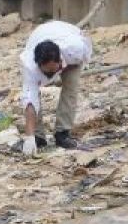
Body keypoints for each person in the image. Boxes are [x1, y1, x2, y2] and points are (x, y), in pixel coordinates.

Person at [19, 21, 92, 154]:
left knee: (71, 87)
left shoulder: (75, 48)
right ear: (38, 65)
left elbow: (84, 57)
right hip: (40, 34)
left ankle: (62, 133)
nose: (51, 76)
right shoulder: (29, 65)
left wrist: (65, 68)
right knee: (33, 95)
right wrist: (28, 137)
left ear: (60, 60)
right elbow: (30, 100)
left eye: (53, 70)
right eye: (47, 72)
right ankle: (38, 136)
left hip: (70, 53)